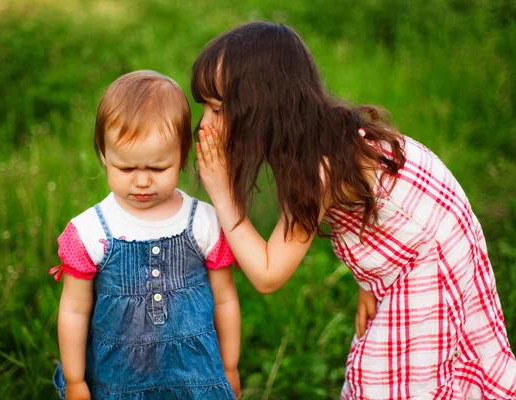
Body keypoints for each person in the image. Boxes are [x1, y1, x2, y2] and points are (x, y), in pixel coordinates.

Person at [192, 21, 516, 398]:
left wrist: (222, 193)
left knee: (394, 383)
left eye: (217, 109)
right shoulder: (320, 136)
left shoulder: (319, 169)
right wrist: (369, 281)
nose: (206, 124)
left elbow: (268, 273)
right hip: (435, 230)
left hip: (432, 257)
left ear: (260, 109)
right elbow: (378, 209)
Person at [49, 70, 240, 400]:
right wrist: (76, 379)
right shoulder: (91, 230)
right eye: (126, 168)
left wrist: (230, 367)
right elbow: (74, 309)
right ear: (104, 156)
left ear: (181, 157)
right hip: (118, 379)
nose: (141, 181)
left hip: (194, 379)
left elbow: (224, 299)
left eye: (156, 168)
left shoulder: (203, 222)